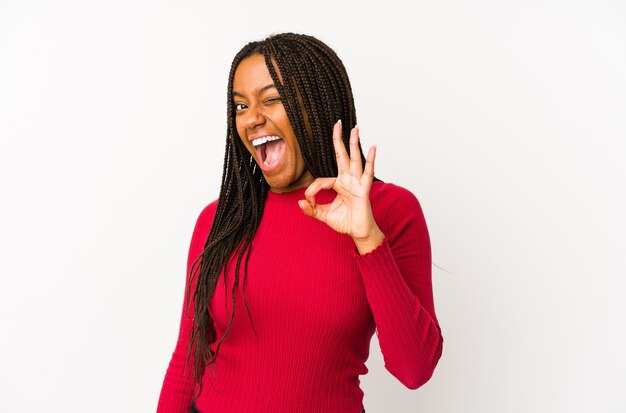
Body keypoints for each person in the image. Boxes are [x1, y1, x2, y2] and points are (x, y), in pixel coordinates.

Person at [157, 32, 443, 413]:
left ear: (318, 104)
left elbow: (414, 369)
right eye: (240, 106)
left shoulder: (390, 210)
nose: (252, 118)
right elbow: (186, 361)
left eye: (271, 99)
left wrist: (368, 239)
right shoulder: (219, 219)